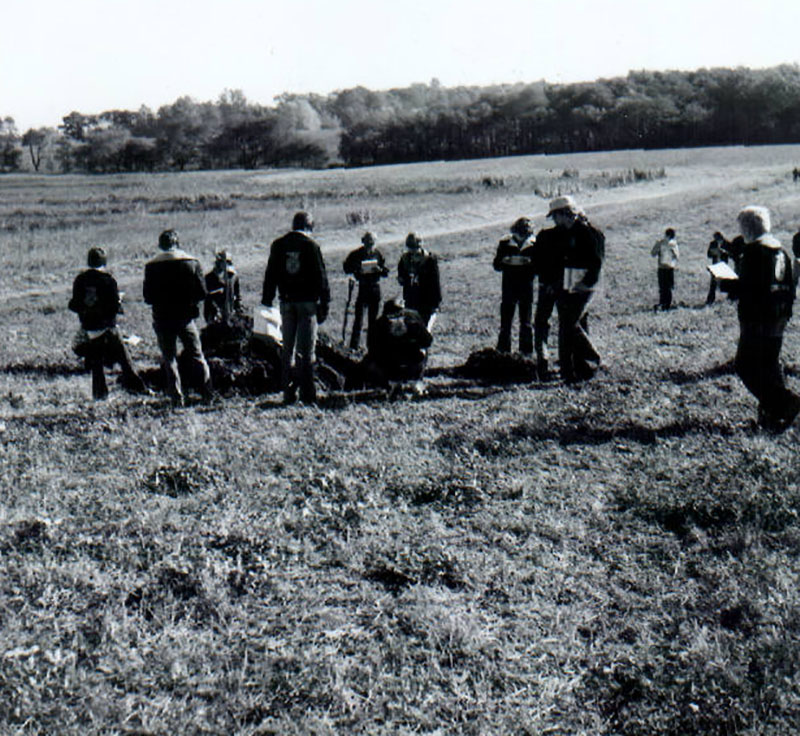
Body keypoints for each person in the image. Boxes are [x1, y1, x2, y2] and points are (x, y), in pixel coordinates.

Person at [734, 205, 800, 432]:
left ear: (747, 228)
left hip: (757, 318)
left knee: (745, 366)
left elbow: (749, 289)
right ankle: (771, 418)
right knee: (769, 366)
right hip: (778, 317)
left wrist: (730, 285)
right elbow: (790, 286)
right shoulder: (780, 251)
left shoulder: (753, 252)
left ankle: (786, 403)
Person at [261, 211, 330, 405]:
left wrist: (267, 299)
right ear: (310, 227)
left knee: (287, 350)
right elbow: (321, 278)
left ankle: (288, 394)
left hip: (286, 302)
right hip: (307, 304)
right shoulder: (311, 245)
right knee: (306, 352)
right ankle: (307, 395)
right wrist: (324, 303)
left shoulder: (278, 245)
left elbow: (270, 274)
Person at [143, 229, 212, 407]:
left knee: (169, 358)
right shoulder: (192, 262)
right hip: (186, 317)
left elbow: (148, 297)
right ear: (178, 243)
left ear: (160, 245)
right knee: (197, 355)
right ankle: (207, 394)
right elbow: (202, 293)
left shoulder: (151, 266)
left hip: (163, 318)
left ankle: (176, 397)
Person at [69, 246, 148, 400]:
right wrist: (118, 301)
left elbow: (73, 305)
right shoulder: (108, 280)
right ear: (104, 262)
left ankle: (99, 395)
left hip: (89, 328)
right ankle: (137, 388)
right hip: (107, 327)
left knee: (96, 364)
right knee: (125, 360)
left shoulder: (80, 280)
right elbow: (114, 307)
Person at [543, 196, 605, 384]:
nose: (554, 220)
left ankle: (587, 361)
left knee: (569, 324)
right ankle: (580, 367)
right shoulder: (566, 232)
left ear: (564, 214)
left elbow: (596, 262)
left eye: (555, 216)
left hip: (584, 285)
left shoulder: (589, 232)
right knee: (574, 323)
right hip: (569, 282)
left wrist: (586, 283)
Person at [361, 298, 433, 389]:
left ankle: (382, 382)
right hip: (409, 363)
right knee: (423, 351)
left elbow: (371, 348)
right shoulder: (414, 318)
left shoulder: (380, 323)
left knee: (369, 360)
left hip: (390, 366)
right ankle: (414, 378)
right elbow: (427, 341)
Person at [493, 217, 536, 355]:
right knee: (506, 322)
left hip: (526, 287)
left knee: (526, 322)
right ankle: (503, 350)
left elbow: (539, 267)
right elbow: (497, 265)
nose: (521, 238)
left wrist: (530, 263)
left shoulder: (535, 244)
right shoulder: (505, 244)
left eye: (524, 235)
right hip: (509, 286)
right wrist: (504, 260)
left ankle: (526, 352)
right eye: (519, 235)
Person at [343, 231, 389, 350]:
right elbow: (346, 267)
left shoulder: (378, 254)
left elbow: (385, 272)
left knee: (373, 321)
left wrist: (379, 269)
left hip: (375, 288)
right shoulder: (356, 254)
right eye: (368, 242)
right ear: (363, 241)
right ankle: (354, 346)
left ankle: (371, 347)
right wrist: (357, 270)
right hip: (363, 288)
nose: (370, 245)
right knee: (359, 320)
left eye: (372, 243)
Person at [397, 233, 441, 327]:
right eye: (410, 248)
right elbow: (401, 275)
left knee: (423, 326)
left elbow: (435, 283)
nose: (413, 251)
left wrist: (435, 303)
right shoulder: (404, 259)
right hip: (410, 298)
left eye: (415, 248)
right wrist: (401, 279)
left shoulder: (429, 259)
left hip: (425, 299)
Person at [204, 250, 242, 325]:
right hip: (215, 314)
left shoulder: (233, 276)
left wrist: (238, 308)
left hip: (230, 311)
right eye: (223, 262)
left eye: (228, 262)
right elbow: (207, 297)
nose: (225, 265)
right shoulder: (209, 277)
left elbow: (237, 294)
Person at [651, 227, 679, 310]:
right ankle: (666, 304)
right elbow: (677, 256)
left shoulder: (661, 243)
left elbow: (653, 253)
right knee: (667, 287)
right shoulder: (673, 244)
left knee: (663, 287)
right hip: (669, 268)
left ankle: (663, 303)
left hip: (662, 267)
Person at [706, 231, 730, 305]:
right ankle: (710, 300)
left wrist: (724, 252)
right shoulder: (712, 244)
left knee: (727, 283)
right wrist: (713, 252)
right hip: (715, 265)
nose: (716, 240)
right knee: (713, 284)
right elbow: (708, 254)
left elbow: (731, 253)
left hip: (723, 266)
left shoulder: (727, 243)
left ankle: (730, 298)